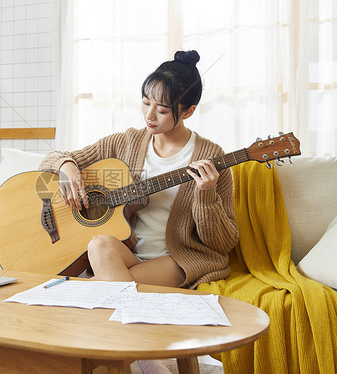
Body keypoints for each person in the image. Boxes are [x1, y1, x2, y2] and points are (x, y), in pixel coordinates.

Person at [39, 50, 239, 289]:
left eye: (162, 110)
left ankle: (94, 292)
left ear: (188, 111)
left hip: (178, 259)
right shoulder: (126, 142)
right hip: (127, 253)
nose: (149, 115)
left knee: (102, 287)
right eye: (145, 103)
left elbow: (224, 243)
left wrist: (206, 194)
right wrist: (66, 166)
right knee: (98, 245)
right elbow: (51, 158)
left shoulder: (212, 157)